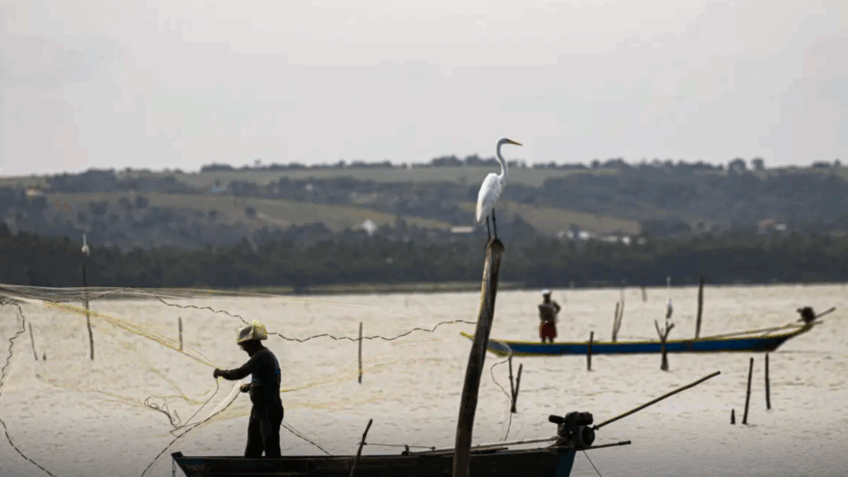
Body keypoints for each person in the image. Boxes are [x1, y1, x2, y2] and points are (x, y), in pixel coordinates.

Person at [213, 320, 283, 458]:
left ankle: (277, 471)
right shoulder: (263, 356)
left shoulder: (262, 355)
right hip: (259, 409)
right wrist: (251, 386)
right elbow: (269, 380)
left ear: (252, 343)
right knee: (253, 449)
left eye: (244, 345)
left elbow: (241, 372)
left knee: (271, 448)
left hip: (269, 409)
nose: (243, 349)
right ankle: (249, 469)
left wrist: (222, 373)